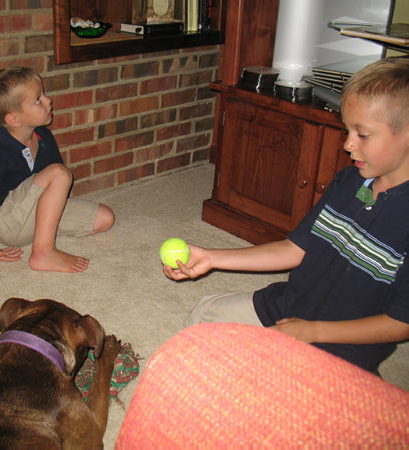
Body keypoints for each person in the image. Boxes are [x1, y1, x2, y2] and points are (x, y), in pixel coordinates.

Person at [163, 57, 409, 374]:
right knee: (202, 316)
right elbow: (293, 249)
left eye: (362, 134)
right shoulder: (349, 181)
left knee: (286, 405)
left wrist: (311, 331)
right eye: (348, 130)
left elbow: (401, 322)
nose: (348, 144)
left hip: (343, 347)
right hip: (288, 307)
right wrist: (211, 257)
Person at [0, 67, 114, 273]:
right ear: (14, 119)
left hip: (32, 216)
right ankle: (43, 253)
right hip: (6, 222)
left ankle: (44, 234)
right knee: (60, 173)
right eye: (38, 99)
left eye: (44, 95)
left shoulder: (43, 137)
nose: (48, 100)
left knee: (105, 219)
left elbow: (50, 190)